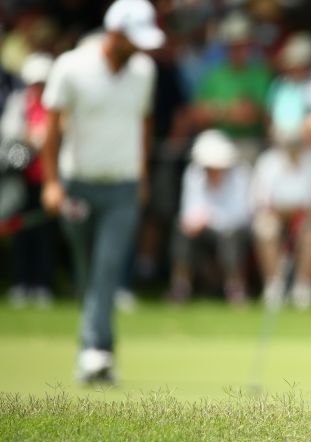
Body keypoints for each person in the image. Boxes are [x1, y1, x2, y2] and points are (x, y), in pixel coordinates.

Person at [39, 0, 164, 384]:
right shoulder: (71, 67)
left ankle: (92, 352)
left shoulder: (144, 71)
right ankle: (101, 352)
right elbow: (52, 130)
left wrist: (142, 175)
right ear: (114, 33)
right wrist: (51, 183)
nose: (141, 48)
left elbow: (143, 123)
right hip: (78, 183)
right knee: (87, 270)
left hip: (123, 186)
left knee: (107, 268)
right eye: (134, 39)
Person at [250, 126, 311, 310]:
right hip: (275, 217)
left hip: (305, 218)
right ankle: (274, 286)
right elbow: (259, 201)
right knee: (266, 228)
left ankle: (303, 288)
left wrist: (302, 213)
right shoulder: (267, 162)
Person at [169, 130, 250, 305]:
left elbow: (241, 214)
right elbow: (188, 211)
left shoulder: (240, 175)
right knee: (181, 230)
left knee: (230, 236)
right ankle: (181, 284)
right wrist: (196, 221)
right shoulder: (193, 174)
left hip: (233, 231)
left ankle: (235, 286)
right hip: (203, 230)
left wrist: (208, 217)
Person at [1, 53, 56, 308]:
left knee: (45, 233)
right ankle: (22, 284)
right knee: (21, 232)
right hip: (21, 178)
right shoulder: (19, 102)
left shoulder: (58, 103)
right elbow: (10, 135)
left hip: (49, 180)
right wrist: (30, 137)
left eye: (42, 82)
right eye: (35, 82)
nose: (38, 87)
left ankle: (42, 285)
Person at [192, 11, 273, 163]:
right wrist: (228, 111)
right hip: (219, 142)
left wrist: (217, 110)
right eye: (233, 46)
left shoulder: (261, 74)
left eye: (242, 45)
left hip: (251, 143)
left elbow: (257, 113)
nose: (238, 50)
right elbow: (198, 114)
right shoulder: (214, 76)